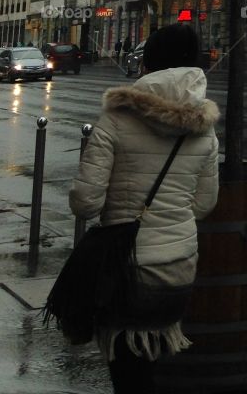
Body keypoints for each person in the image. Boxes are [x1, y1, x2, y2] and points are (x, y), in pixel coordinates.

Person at [69, 23, 220, 394]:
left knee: (126, 370)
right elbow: (204, 204)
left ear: (148, 64)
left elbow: (85, 203)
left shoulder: (117, 119)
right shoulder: (205, 129)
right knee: (150, 362)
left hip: (126, 270)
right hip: (178, 269)